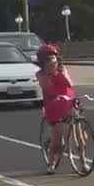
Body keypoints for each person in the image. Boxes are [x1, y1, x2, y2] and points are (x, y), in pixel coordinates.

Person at [36, 44, 76, 174]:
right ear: (42, 62)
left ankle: (81, 159)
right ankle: (51, 162)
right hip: (53, 105)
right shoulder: (41, 74)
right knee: (57, 140)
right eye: (47, 59)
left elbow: (69, 84)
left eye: (53, 58)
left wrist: (59, 73)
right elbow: (47, 88)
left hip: (68, 102)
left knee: (80, 130)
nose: (51, 61)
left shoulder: (62, 69)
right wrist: (51, 74)